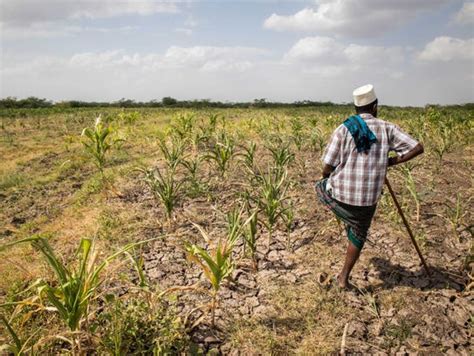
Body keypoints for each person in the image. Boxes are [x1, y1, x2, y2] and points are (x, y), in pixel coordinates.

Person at [315, 84, 424, 289]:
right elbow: (418, 147)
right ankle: (343, 278)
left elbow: (327, 165)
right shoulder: (387, 128)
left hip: (341, 194)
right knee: (359, 231)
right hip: (367, 199)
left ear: (356, 109)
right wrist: (391, 161)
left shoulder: (344, 128)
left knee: (320, 186)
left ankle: (348, 218)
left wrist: (326, 176)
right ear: (374, 107)